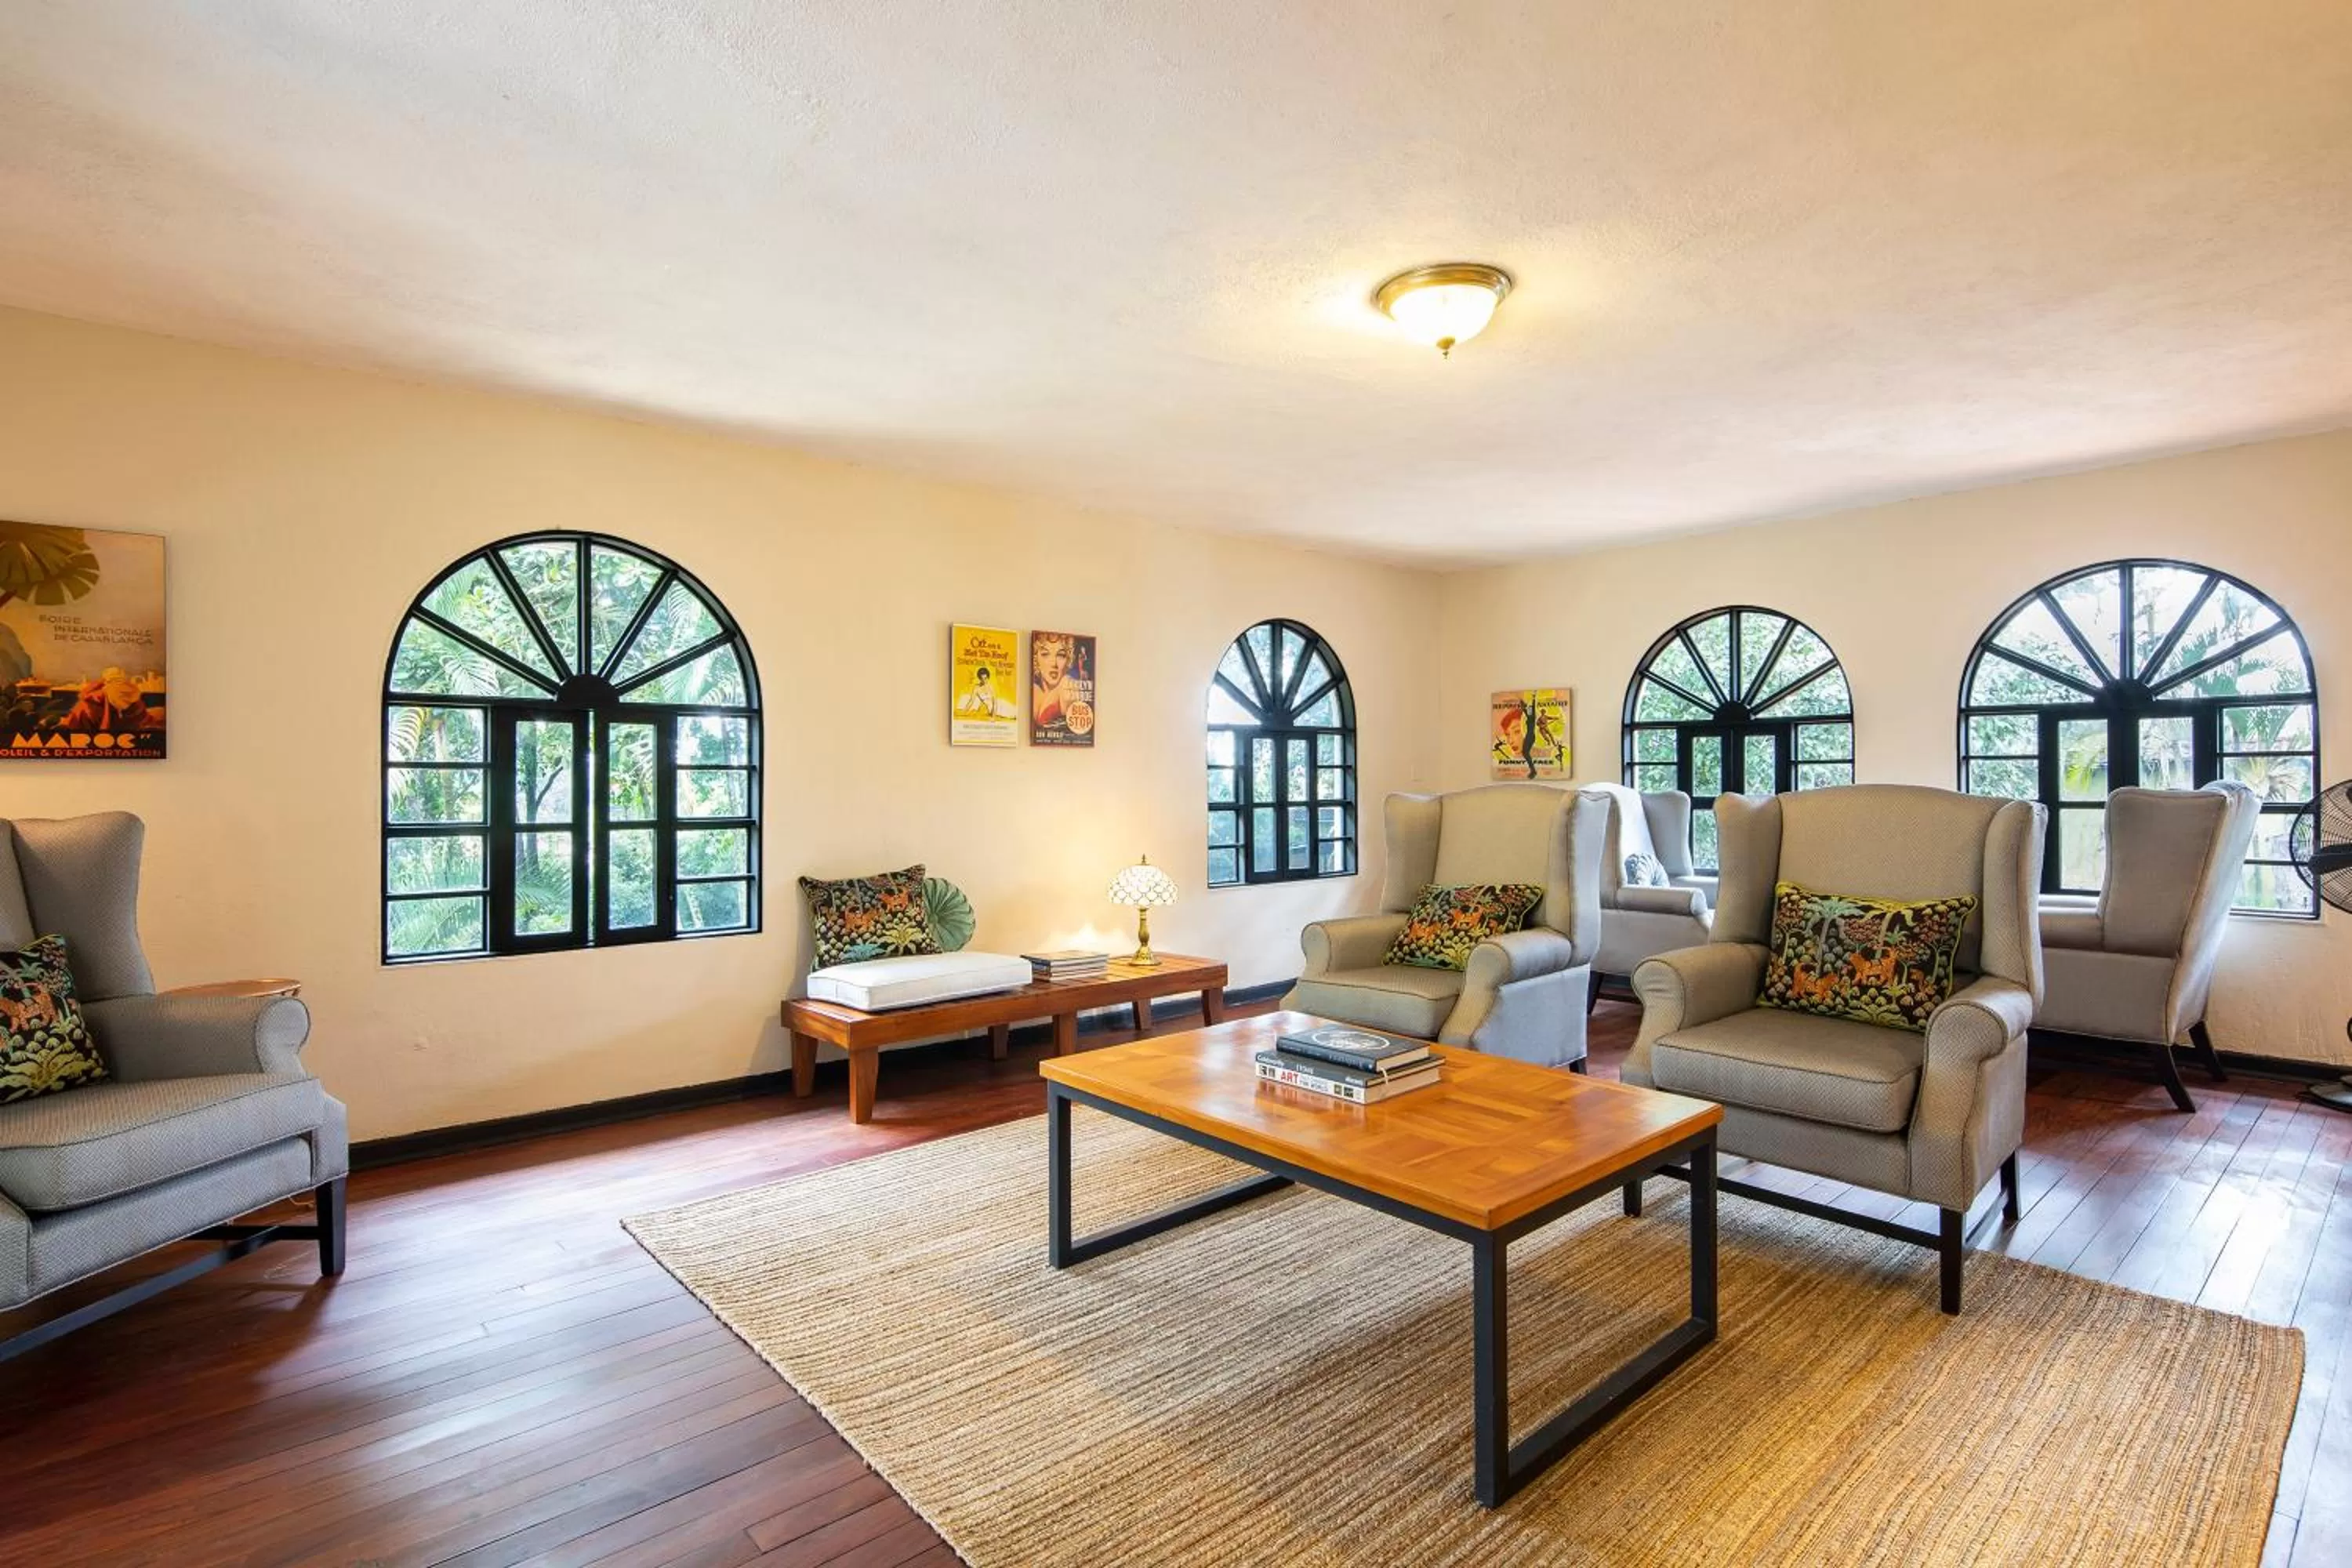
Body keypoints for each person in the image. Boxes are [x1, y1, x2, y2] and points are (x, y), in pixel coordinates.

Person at [60, 667, 158, 734]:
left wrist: (100, 683)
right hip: (128, 726)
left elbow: (84, 695)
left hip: (108, 725)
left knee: (83, 706)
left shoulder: (103, 692)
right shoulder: (133, 690)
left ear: (106, 679)